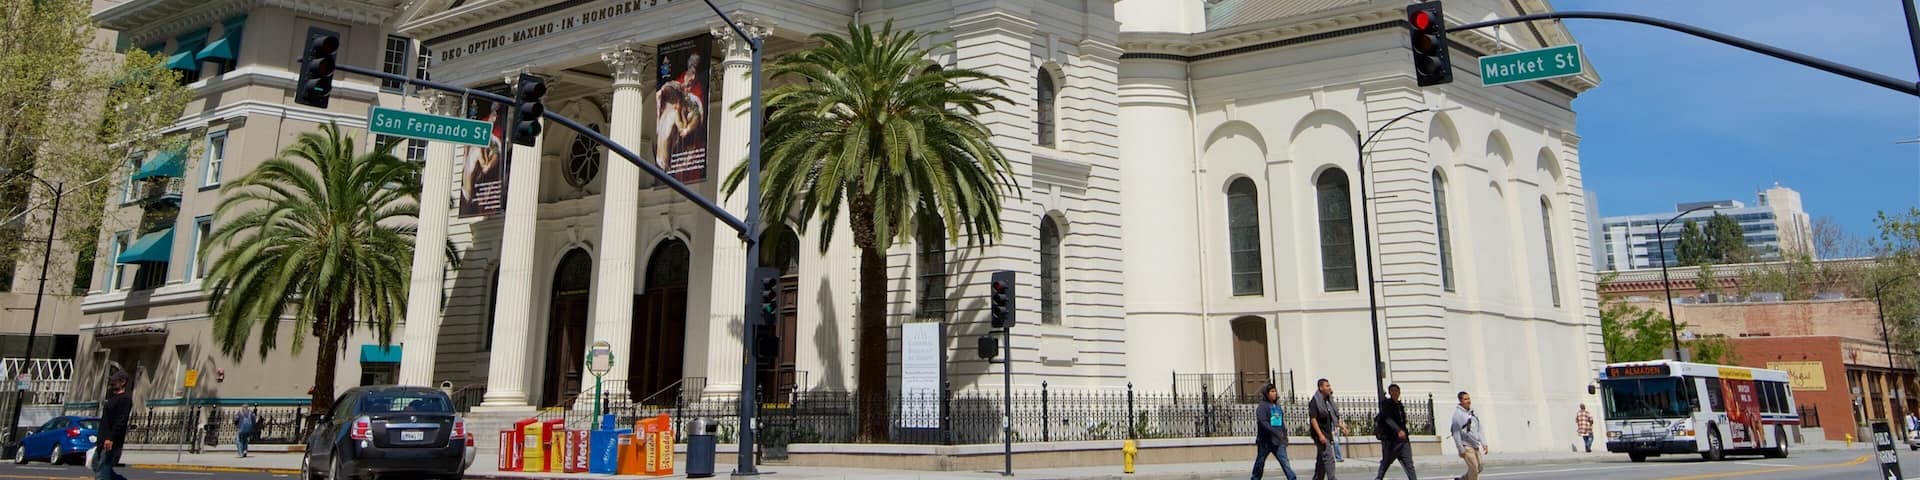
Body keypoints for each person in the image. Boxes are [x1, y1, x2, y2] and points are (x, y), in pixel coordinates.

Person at [1252, 383, 1298, 480]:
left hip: (1278, 441)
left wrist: (1284, 436)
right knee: (1260, 462)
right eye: (1272, 391)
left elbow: (1281, 423)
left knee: (1285, 461)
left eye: (1275, 391)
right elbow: (1263, 422)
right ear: (1266, 393)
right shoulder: (1262, 407)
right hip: (1265, 441)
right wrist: (1275, 432)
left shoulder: (1276, 406)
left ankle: (1292, 478)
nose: (1274, 393)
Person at [95, 372, 132, 480]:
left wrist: (110, 438)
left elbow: (121, 420)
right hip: (103, 439)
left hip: (111, 442)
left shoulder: (125, 399)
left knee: (102, 473)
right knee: (97, 466)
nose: (111, 382)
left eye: (115, 381)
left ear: (123, 382)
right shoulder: (112, 397)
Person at [1373, 384, 1415, 480]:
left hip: (1403, 441)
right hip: (1391, 441)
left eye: (1396, 391)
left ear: (1399, 392)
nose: (1394, 393)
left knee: (1409, 464)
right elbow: (1388, 419)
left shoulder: (1400, 406)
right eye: (1392, 391)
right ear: (1389, 392)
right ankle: (1379, 478)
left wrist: (1405, 434)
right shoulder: (1386, 404)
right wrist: (1398, 430)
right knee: (1386, 462)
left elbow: (1403, 422)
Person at [1307, 378, 1346, 480]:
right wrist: (1320, 435)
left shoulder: (1328, 401)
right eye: (1327, 386)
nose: (1329, 388)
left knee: (1321, 460)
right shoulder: (1315, 401)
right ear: (1321, 387)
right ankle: (1332, 478)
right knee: (1329, 457)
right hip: (1319, 433)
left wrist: (1342, 427)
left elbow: (1333, 416)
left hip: (1327, 432)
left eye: (1329, 386)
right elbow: (1313, 419)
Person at [1450, 391, 1488, 480]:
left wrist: (1484, 443)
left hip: (1475, 445)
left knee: (1479, 467)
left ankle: (1463, 479)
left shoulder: (1473, 413)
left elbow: (1479, 428)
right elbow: (1456, 433)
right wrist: (1460, 449)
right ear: (1460, 401)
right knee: (1474, 468)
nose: (1468, 401)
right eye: (1466, 399)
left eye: (1469, 398)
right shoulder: (1457, 415)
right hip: (1466, 446)